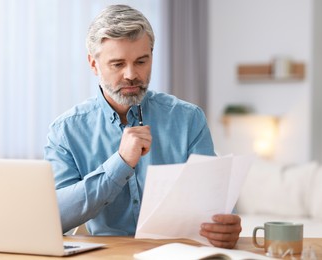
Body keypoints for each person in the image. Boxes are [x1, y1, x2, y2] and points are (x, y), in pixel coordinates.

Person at [44, 4, 241, 249]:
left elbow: (215, 201)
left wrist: (224, 226)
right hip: (106, 255)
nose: (131, 74)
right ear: (93, 64)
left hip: (178, 253)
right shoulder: (65, 132)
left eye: (141, 61)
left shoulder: (189, 119)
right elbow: (55, 219)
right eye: (117, 64)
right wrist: (121, 163)